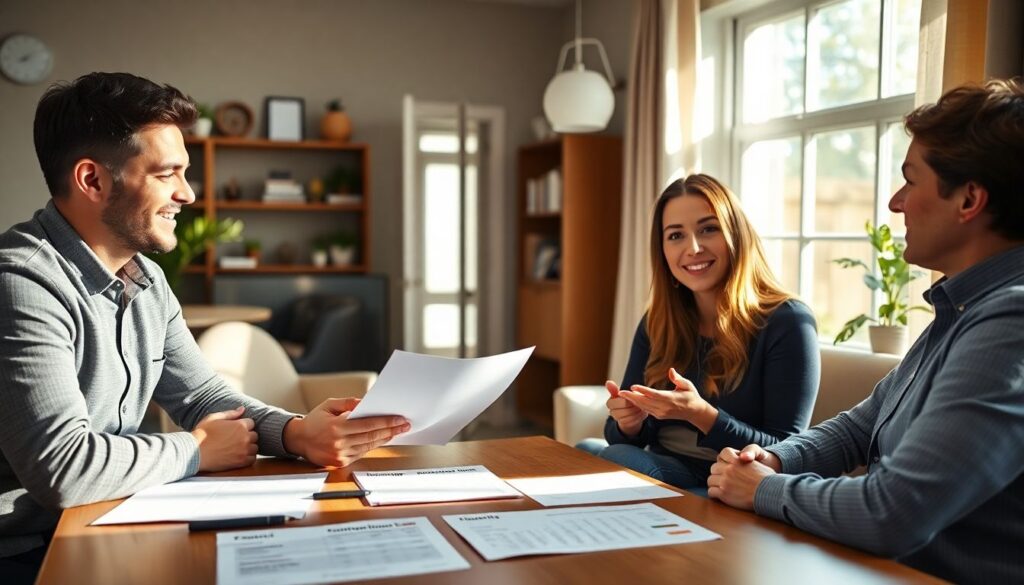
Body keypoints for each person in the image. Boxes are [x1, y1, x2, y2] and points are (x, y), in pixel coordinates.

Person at [0, 72, 410, 582]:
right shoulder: (21, 283)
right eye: (167, 174)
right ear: (93, 180)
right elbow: (64, 468)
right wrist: (195, 449)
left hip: (104, 521)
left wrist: (296, 433)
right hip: (24, 552)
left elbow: (204, 398)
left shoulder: (146, 280)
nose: (188, 194)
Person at [707, 79, 1024, 584]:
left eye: (911, 182)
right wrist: (772, 458)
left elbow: (891, 512)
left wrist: (764, 489)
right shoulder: (961, 308)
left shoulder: (1010, 322)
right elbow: (860, 428)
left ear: (968, 200)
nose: (896, 203)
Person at [578, 174, 819, 491]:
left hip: (727, 483)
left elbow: (786, 451)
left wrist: (702, 415)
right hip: (663, 467)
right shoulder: (658, 321)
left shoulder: (788, 322)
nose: (692, 248)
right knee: (586, 450)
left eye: (708, 229)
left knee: (614, 459)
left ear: (736, 235)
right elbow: (619, 437)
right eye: (676, 235)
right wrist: (628, 423)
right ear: (663, 250)